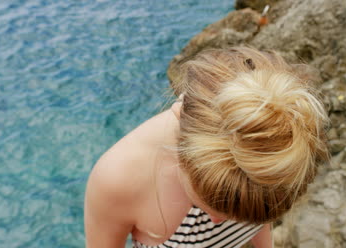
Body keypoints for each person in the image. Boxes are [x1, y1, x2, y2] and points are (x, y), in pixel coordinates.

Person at [84, 45, 330, 248]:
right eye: (208, 205)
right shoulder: (117, 181)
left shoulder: (258, 165)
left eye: (243, 218)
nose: (219, 220)